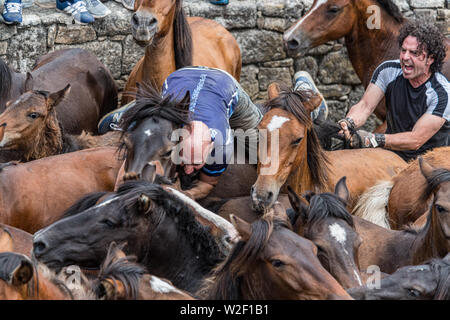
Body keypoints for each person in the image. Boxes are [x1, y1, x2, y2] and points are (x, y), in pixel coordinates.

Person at [337, 20, 449, 161]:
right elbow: (365, 106)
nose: (405, 57)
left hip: (429, 164)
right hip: (392, 155)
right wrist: (349, 122)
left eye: (414, 53)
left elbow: (415, 140)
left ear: (430, 59)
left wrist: (372, 139)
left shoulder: (442, 93)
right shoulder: (388, 70)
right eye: (403, 50)